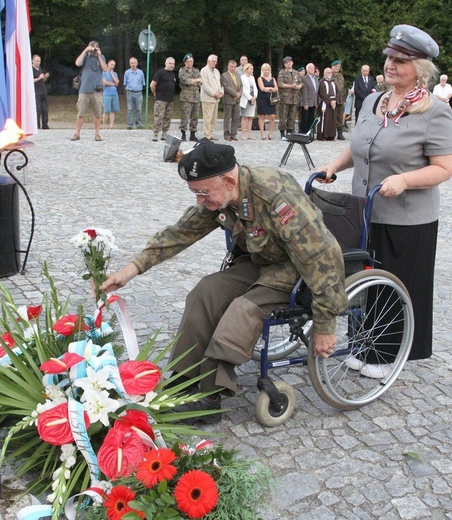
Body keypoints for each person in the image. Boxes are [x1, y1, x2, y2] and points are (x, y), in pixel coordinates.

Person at [101, 140, 347, 421]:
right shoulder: (220, 193)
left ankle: (209, 396)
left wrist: (325, 325)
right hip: (260, 262)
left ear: (229, 181)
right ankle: (184, 380)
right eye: (195, 193)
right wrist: (131, 269)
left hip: (296, 269)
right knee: (205, 291)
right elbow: (180, 233)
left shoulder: (274, 196)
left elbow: (322, 256)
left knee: (243, 310)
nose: (199, 201)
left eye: (203, 193)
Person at [318, 24, 452, 379]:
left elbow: (444, 167)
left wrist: (405, 179)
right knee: (365, 282)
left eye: (400, 60)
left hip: (407, 218)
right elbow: (360, 145)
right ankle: (363, 344)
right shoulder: (372, 100)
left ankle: (387, 353)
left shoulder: (434, 111)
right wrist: (334, 165)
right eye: (389, 58)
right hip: (364, 210)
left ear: (420, 69)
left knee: (397, 285)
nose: (390, 65)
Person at [72, 40, 108, 142]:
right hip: (84, 89)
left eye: (95, 47)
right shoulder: (86, 56)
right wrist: (85, 50)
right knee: (81, 112)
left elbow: (105, 68)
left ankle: (97, 134)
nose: (93, 49)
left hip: (97, 89)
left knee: (97, 113)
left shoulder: (101, 57)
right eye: (92, 47)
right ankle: (77, 133)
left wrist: (99, 55)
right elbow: (77, 63)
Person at [150, 57, 176, 141]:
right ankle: (155, 133)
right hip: (161, 99)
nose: (172, 65)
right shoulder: (160, 73)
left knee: (168, 117)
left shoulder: (172, 74)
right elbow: (152, 85)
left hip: (170, 100)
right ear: (166, 63)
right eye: (170, 63)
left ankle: (165, 133)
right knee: (159, 117)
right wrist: (155, 93)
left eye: (173, 64)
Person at [178, 53, 202, 141]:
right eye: (188, 62)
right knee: (185, 116)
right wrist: (195, 80)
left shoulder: (196, 70)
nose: (189, 63)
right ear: (185, 62)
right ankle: (183, 134)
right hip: (186, 98)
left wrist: (194, 81)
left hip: (196, 97)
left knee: (195, 116)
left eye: (191, 61)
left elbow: (201, 82)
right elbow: (185, 81)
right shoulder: (182, 71)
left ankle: (193, 134)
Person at [277, 56, 302, 138]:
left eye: (290, 62)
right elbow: (280, 84)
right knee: (283, 115)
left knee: (292, 116)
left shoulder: (296, 72)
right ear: (284, 64)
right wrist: (291, 86)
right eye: (287, 63)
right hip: (285, 98)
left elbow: (301, 82)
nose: (289, 64)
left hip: (295, 98)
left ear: (292, 62)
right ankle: (282, 132)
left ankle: (290, 131)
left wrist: (299, 86)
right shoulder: (282, 72)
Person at [200, 54, 224, 140]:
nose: (215, 63)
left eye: (216, 61)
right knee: (208, 118)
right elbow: (205, 85)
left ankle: (211, 133)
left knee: (214, 118)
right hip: (208, 98)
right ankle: (207, 135)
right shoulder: (204, 71)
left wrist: (221, 92)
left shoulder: (217, 71)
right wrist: (214, 94)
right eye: (213, 61)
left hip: (216, 99)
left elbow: (220, 84)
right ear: (208, 61)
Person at [220, 59, 243, 141]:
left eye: (234, 67)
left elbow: (241, 86)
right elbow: (226, 87)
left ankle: (234, 134)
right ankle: (226, 134)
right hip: (229, 99)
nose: (233, 68)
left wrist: (239, 94)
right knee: (227, 117)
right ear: (228, 66)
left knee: (236, 117)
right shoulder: (224, 75)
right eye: (231, 66)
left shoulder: (238, 75)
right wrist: (235, 94)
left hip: (237, 100)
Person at [256, 63, 278, 140]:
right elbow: (262, 88)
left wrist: (268, 89)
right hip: (262, 99)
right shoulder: (260, 78)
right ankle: (262, 132)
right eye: (265, 70)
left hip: (271, 99)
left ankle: (271, 133)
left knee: (272, 116)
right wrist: (270, 89)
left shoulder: (273, 78)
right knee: (262, 116)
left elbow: (276, 88)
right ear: (262, 70)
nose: (266, 71)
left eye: (268, 70)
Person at [317, 67, 338, 141]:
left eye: (330, 73)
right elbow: (323, 94)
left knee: (332, 119)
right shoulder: (322, 82)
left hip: (333, 104)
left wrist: (335, 101)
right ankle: (322, 135)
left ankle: (331, 135)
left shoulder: (333, 83)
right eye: (327, 73)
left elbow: (337, 93)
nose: (329, 74)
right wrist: (330, 102)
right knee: (325, 119)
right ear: (324, 73)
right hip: (325, 103)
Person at [124, 57, 145, 130]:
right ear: (130, 64)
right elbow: (125, 83)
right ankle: (130, 125)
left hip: (138, 93)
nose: (133, 64)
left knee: (139, 109)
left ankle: (139, 124)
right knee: (130, 109)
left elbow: (142, 83)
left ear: (137, 63)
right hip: (129, 92)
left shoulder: (141, 72)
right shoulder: (127, 72)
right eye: (131, 63)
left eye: (134, 63)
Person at [239, 63, 257, 140]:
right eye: (251, 69)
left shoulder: (252, 78)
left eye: (252, 69)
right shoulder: (242, 78)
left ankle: (249, 133)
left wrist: (255, 96)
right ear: (246, 69)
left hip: (253, 99)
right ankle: (243, 134)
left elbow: (255, 88)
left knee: (250, 117)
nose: (252, 70)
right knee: (244, 117)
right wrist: (250, 97)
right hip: (246, 99)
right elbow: (243, 89)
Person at [299, 63, 318, 134]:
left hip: (313, 102)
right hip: (307, 102)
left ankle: (310, 132)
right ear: (307, 69)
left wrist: (316, 102)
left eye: (313, 68)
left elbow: (316, 91)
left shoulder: (315, 78)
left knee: (311, 118)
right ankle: (303, 132)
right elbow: (304, 92)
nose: (312, 69)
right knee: (305, 118)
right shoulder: (304, 78)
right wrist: (305, 103)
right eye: (310, 68)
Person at [32, 54, 50, 129]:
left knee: (45, 109)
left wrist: (45, 77)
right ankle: (37, 125)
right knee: (37, 109)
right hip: (36, 92)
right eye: (36, 61)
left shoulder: (40, 69)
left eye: (39, 61)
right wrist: (39, 78)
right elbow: (30, 81)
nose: (38, 63)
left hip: (43, 91)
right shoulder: (30, 70)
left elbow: (42, 79)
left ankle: (45, 125)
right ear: (32, 61)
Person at [102, 59, 120, 130]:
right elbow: (105, 82)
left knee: (113, 110)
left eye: (114, 65)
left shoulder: (115, 74)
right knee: (106, 110)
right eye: (111, 64)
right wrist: (113, 84)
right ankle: (104, 125)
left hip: (114, 93)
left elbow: (117, 82)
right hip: (107, 93)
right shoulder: (104, 73)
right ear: (108, 64)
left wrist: (112, 74)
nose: (112, 66)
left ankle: (111, 125)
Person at [331, 60, 346, 140]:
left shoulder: (341, 76)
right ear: (332, 67)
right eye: (335, 66)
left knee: (340, 117)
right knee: (332, 116)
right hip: (333, 100)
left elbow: (343, 88)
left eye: (338, 67)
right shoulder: (330, 75)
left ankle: (340, 133)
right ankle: (331, 133)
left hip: (340, 99)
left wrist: (344, 99)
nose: (337, 68)